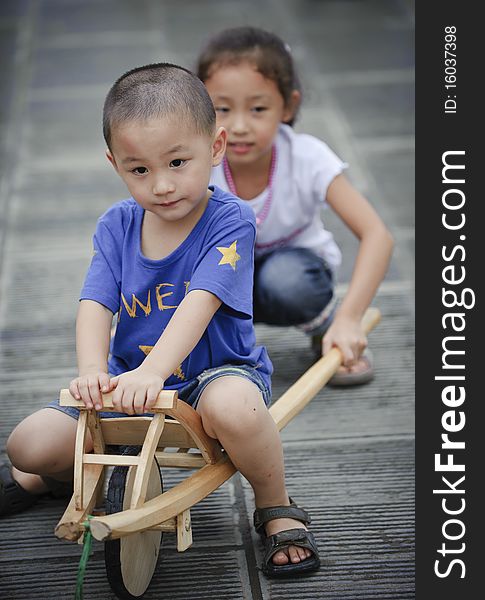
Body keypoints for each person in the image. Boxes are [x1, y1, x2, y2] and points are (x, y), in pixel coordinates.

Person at [0, 62, 320, 577]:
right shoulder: (117, 224)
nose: (162, 185)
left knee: (236, 408)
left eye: (177, 162)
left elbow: (202, 299)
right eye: (140, 170)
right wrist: (92, 371)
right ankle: (57, 477)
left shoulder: (229, 220)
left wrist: (156, 373)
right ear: (116, 164)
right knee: (26, 445)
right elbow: (94, 303)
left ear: (214, 149)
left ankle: (275, 505)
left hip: (212, 375)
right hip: (130, 383)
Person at [197, 27, 394, 385]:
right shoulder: (196, 162)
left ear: (287, 106)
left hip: (289, 276)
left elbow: (377, 235)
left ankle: (327, 326)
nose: (239, 126)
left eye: (258, 108)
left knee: (286, 281)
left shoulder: (306, 157)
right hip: (218, 278)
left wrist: (350, 318)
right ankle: (208, 350)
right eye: (222, 109)